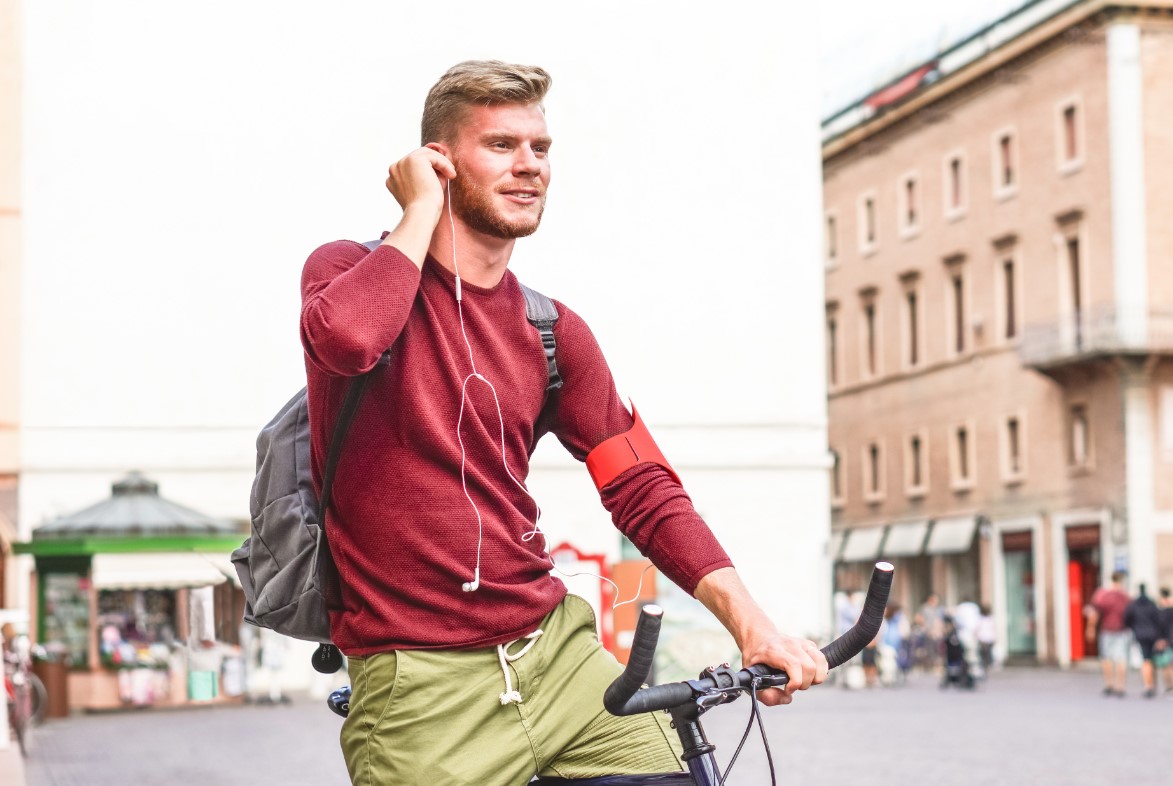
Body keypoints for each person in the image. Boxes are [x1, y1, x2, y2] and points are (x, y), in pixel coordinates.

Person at [301, 61, 828, 785]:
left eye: (540, 148)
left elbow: (642, 487)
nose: (530, 165)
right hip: (422, 682)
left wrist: (752, 623)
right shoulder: (345, 270)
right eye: (501, 145)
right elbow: (349, 341)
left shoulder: (552, 332)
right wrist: (419, 211)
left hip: (558, 656)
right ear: (438, 162)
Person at [1084, 570, 1131, 697]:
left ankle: (1109, 684)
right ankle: (1120, 686)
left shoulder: (1102, 594)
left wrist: (1090, 628)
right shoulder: (1125, 596)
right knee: (1121, 659)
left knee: (1106, 658)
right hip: (1122, 630)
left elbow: (1094, 613)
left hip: (1106, 630)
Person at [1125, 583, 1168, 698]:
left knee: (1145, 660)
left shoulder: (1134, 604)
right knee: (1151, 660)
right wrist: (1161, 636)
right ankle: (1152, 684)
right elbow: (1159, 620)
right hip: (1153, 634)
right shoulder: (1151, 604)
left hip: (1140, 634)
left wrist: (1133, 628)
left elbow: (1128, 618)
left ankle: (1147, 686)